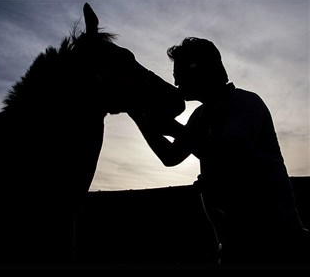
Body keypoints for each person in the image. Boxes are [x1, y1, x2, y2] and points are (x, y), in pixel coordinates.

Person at [129, 37, 308, 264]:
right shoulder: (200, 116)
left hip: (277, 244)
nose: (175, 81)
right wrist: (137, 115)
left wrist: (175, 129)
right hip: (235, 247)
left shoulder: (245, 104)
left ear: (199, 69)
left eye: (180, 71)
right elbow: (171, 157)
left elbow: (231, 155)